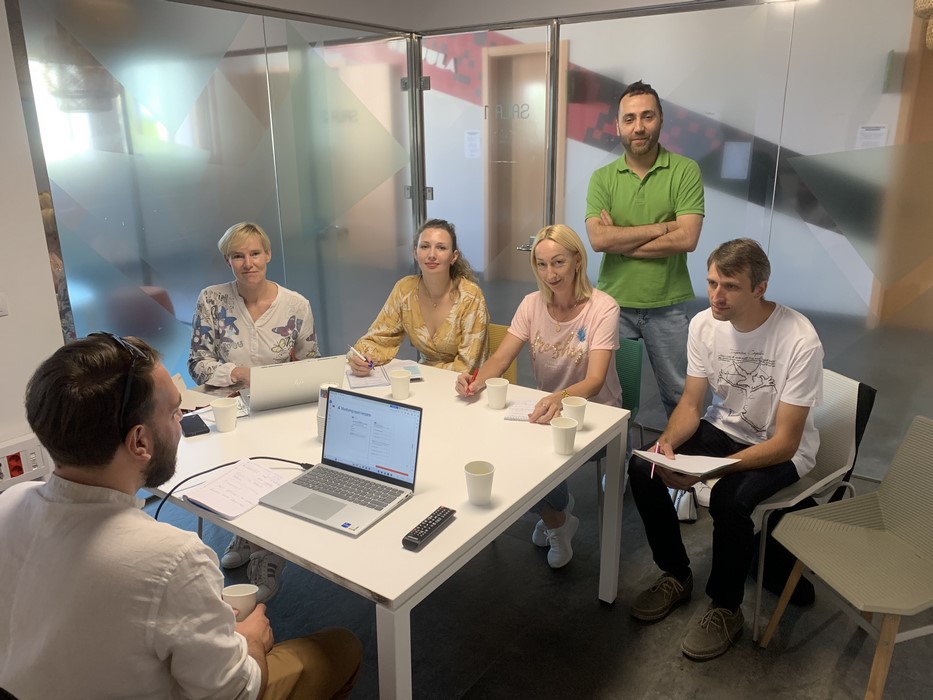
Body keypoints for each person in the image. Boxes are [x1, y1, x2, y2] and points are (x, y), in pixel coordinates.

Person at [0, 334, 362, 699]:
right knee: (341, 647)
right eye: (176, 413)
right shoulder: (171, 558)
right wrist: (252, 640)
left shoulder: (9, 504)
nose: (181, 423)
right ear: (139, 442)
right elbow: (238, 692)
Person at [627, 238, 823, 661]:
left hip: (780, 448)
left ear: (759, 288)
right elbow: (691, 404)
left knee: (729, 500)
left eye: (730, 286)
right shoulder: (704, 325)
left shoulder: (799, 339)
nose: (717, 295)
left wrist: (708, 471)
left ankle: (726, 608)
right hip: (723, 427)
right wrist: (666, 445)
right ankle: (676, 575)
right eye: (712, 282)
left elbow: (787, 442)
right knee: (644, 468)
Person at [456, 224, 622, 568]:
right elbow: (501, 359)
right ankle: (558, 520)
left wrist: (559, 397)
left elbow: (595, 381)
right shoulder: (531, 304)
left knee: (529, 460)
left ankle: (554, 514)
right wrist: (475, 381)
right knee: (500, 448)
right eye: (542, 265)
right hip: (547, 409)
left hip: (595, 413)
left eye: (559, 262)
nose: (550, 274)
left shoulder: (603, 307)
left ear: (577, 260)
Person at [189, 221, 319, 602]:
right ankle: (245, 536)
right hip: (228, 407)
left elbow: (311, 365)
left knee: (272, 469)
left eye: (255, 254)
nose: (248, 263)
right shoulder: (212, 300)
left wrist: (281, 386)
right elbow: (197, 362)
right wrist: (238, 374)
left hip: (278, 408)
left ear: (268, 255)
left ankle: (267, 555)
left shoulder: (296, 306)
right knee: (233, 470)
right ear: (227, 261)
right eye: (238, 256)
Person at [585, 80, 705, 419]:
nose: (638, 127)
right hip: (613, 305)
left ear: (660, 120)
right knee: (608, 398)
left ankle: (682, 456)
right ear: (618, 125)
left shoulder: (685, 171)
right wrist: (663, 227)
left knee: (680, 396)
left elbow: (688, 239)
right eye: (630, 118)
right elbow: (598, 240)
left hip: (668, 304)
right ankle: (614, 456)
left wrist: (621, 241)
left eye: (647, 116)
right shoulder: (602, 178)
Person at [348, 219, 488, 376]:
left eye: (441, 248)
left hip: (466, 385)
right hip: (423, 381)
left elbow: (468, 365)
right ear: (415, 253)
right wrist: (362, 358)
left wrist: (423, 373)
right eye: (425, 246)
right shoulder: (405, 289)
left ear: (453, 256)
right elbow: (379, 337)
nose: (431, 255)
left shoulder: (470, 296)